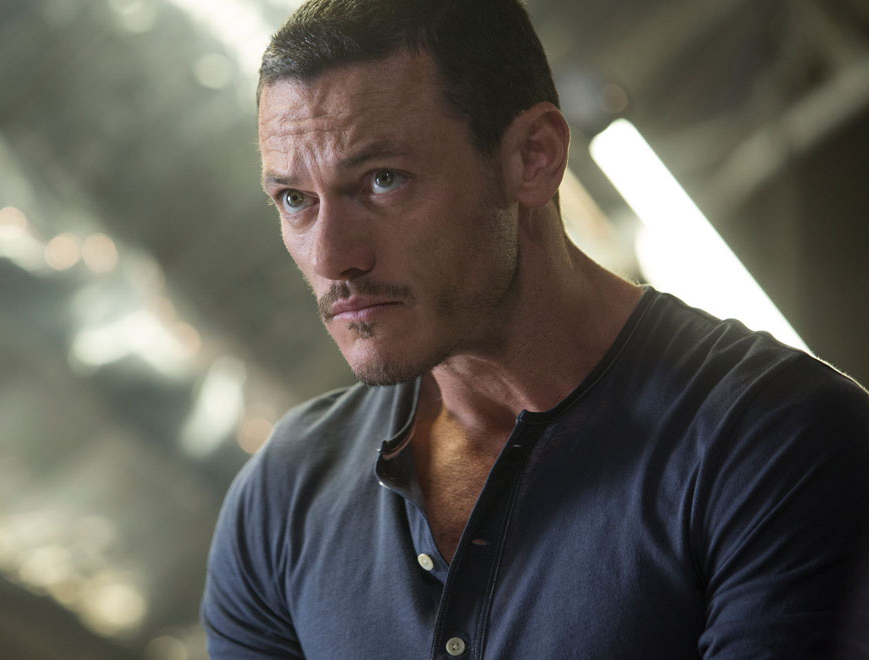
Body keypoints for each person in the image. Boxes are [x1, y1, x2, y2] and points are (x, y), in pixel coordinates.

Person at [201, 1, 869, 658]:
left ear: (533, 157)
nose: (330, 257)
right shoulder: (282, 498)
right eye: (295, 199)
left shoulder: (778, 440)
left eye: (382, 180)